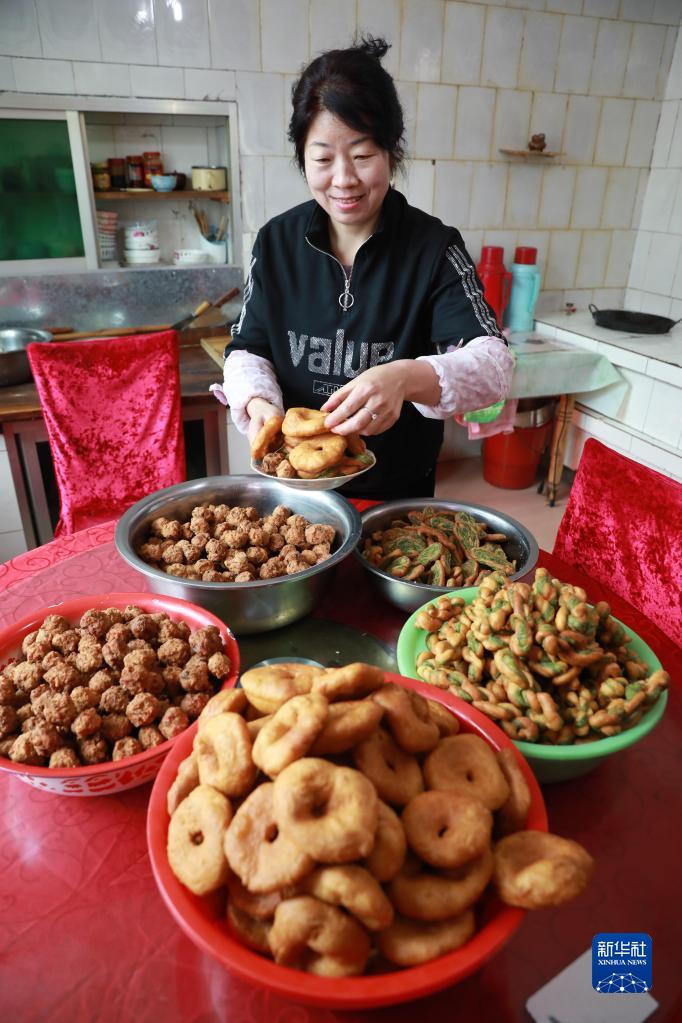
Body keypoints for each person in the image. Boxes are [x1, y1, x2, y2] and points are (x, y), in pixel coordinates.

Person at [214, 36, 513, 499]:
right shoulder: (276, 242)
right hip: (297, 495)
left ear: (391, 151)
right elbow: (247, 348)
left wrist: (406, 377)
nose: (343, 180)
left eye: (362, 156)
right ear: (302, 158)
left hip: (397, 498)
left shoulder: (434, 248)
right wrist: (257, 402)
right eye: (323, 159)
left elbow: (494, 366)